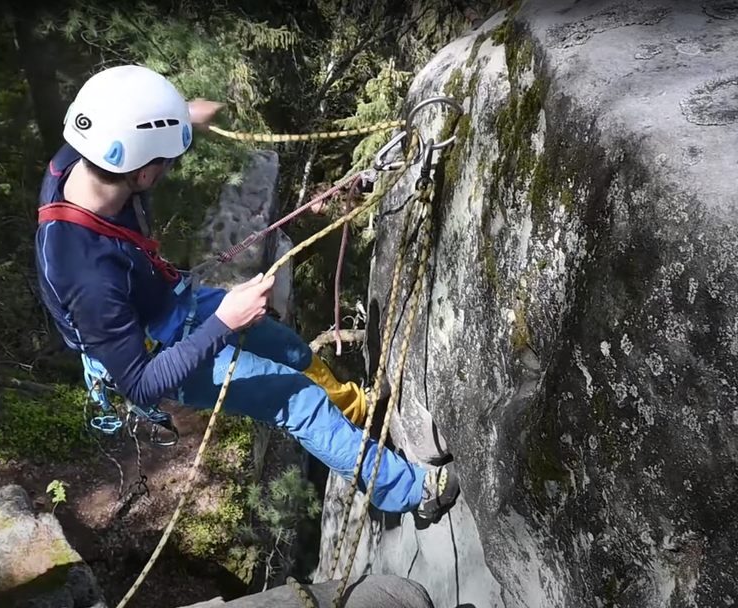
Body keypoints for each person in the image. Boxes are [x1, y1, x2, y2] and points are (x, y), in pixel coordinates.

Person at [33, 64, 459, 519]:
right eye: (164, 161)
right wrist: (225, 322)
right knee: (297, 401)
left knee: (288, 348)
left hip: (171, 303)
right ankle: (412, 493)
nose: (169, 168)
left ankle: (357, 414)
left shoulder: (79, 158)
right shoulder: (86, 275)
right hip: (157, 355)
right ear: (139, 172)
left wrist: (177, 119)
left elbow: (119, 124)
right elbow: (141, 386)